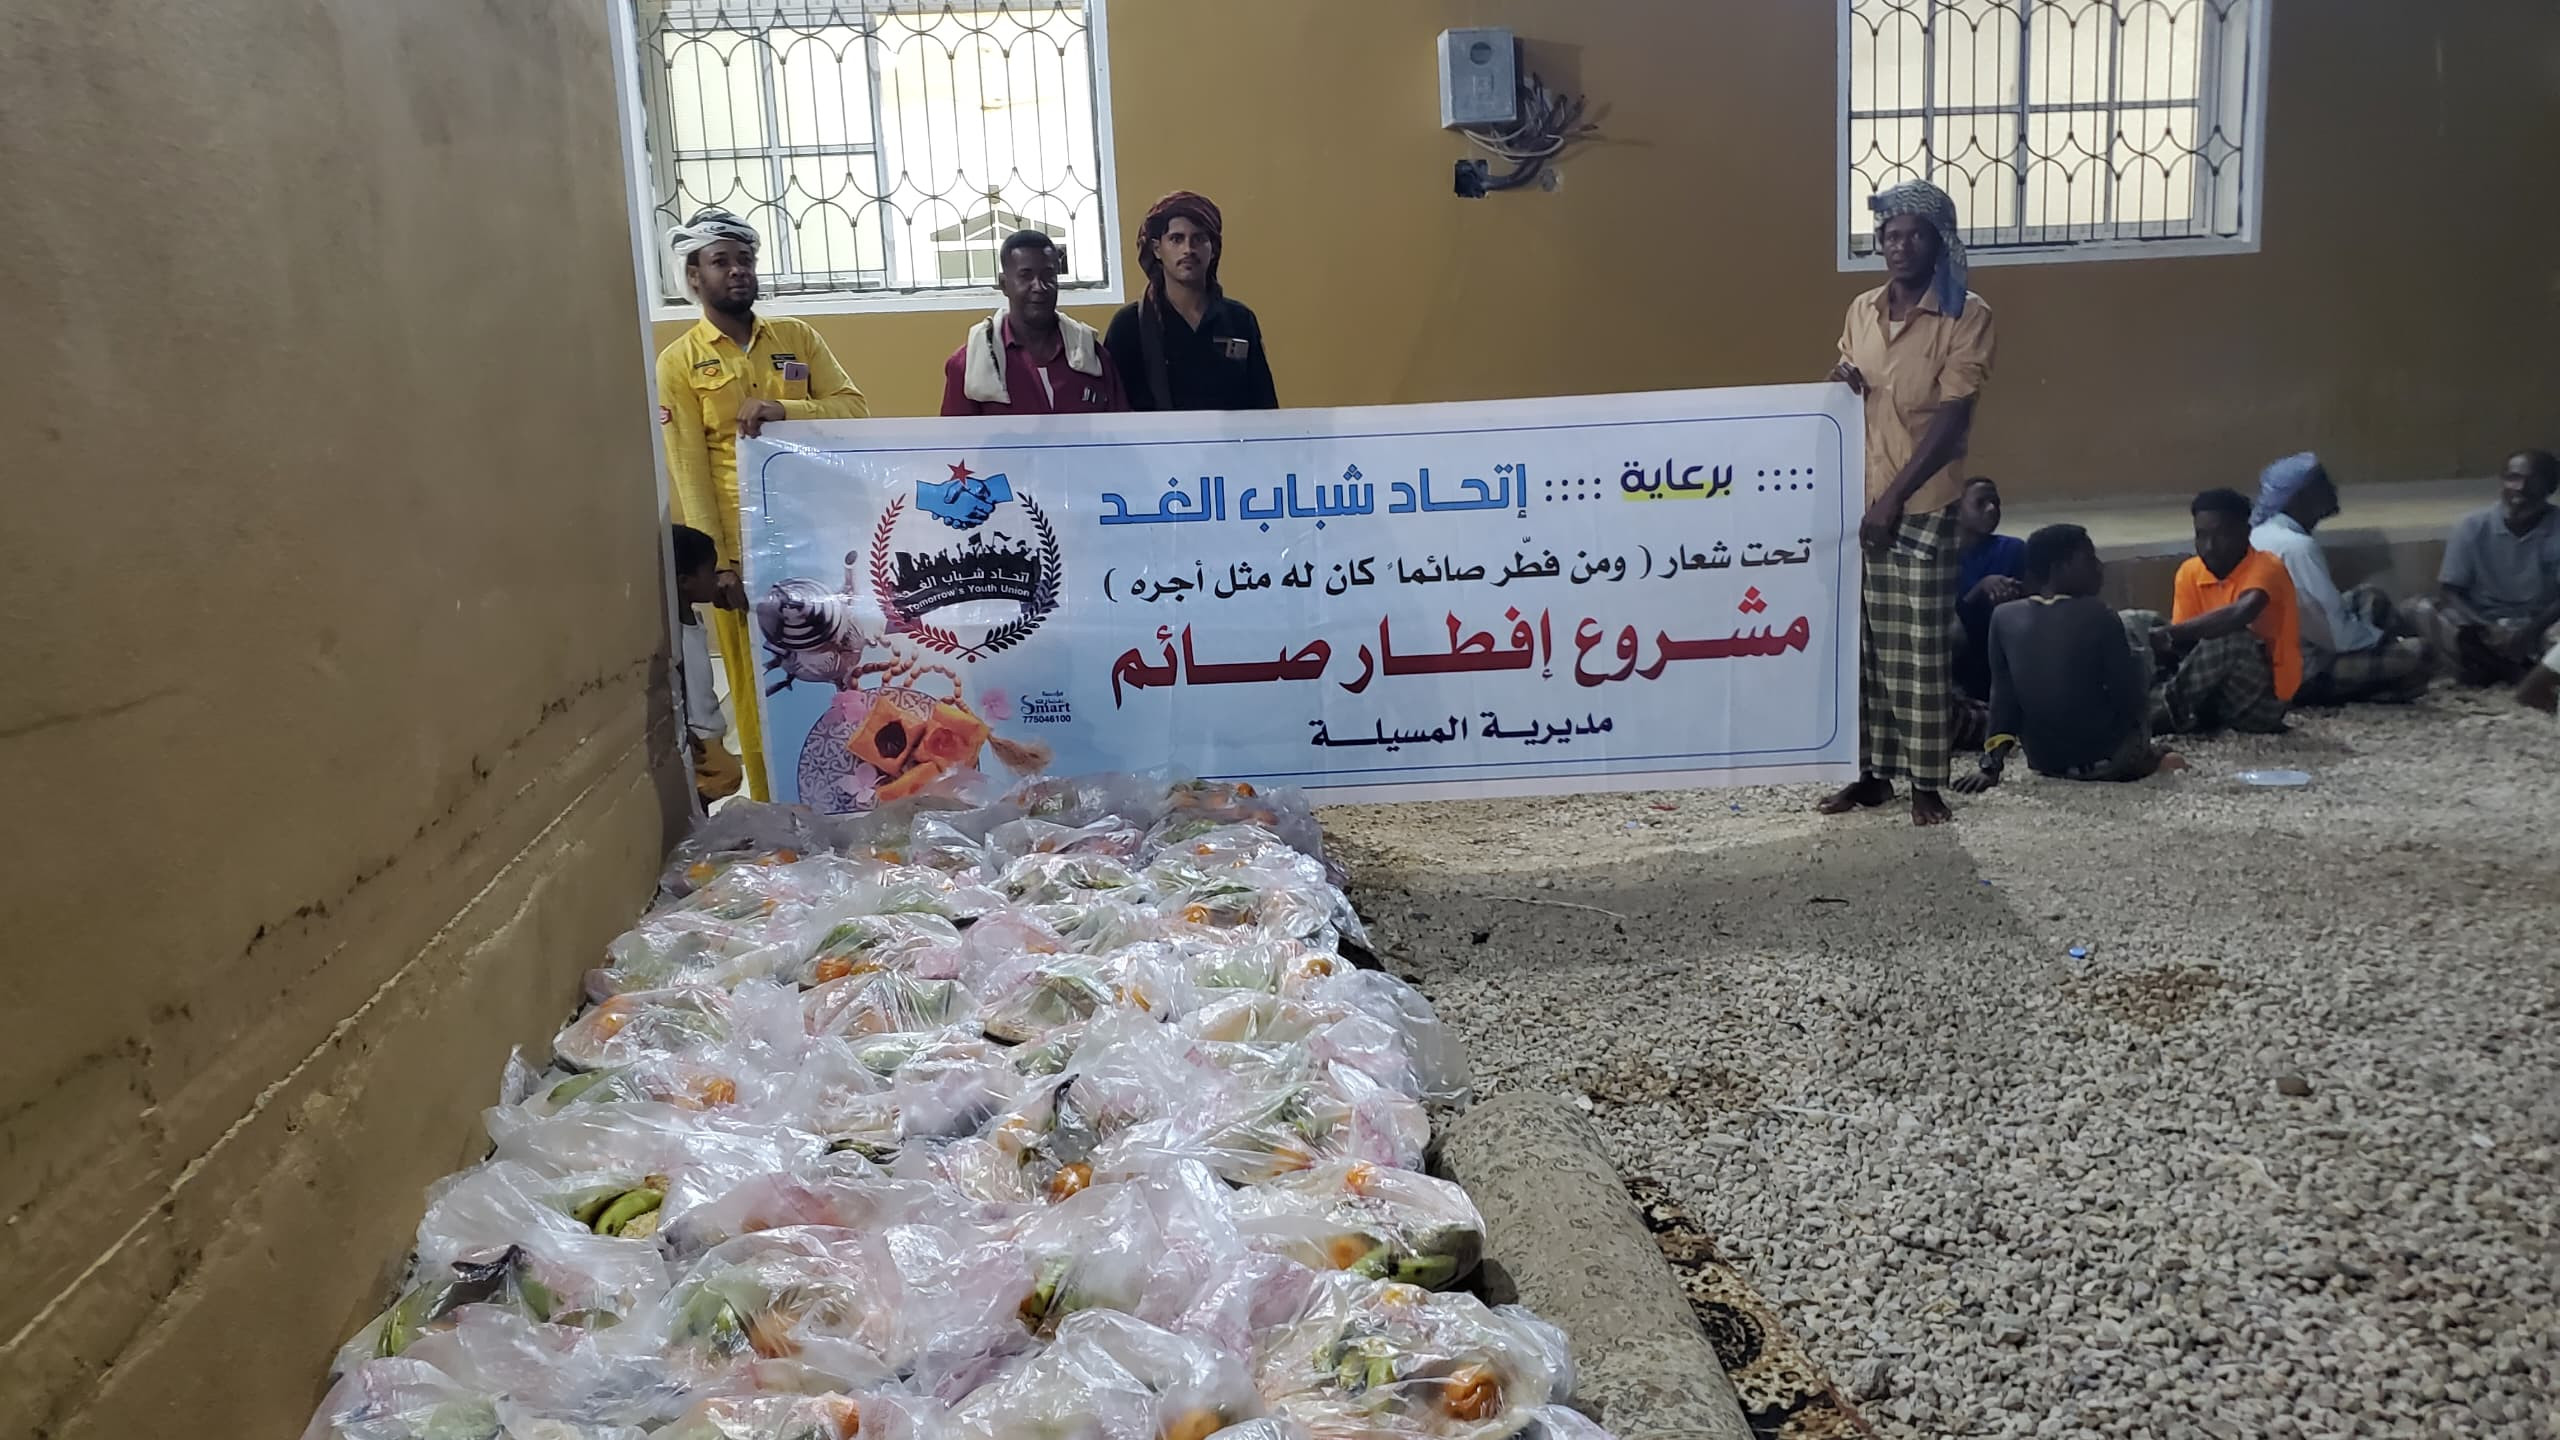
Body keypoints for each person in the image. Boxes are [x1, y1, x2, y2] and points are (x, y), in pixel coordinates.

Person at [656, 208, 873, 801]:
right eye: (720, 261)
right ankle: (770, 804)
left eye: (745, 260)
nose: (737, 271)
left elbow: (853, 409)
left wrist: (788, 410)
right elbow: (689, 468)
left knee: (837, 665)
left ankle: (843, 791)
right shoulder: (679, 362)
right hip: (742, 556)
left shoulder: (798, 339)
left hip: (816, 538)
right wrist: (720, 565)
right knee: (758, 686)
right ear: (694, 276)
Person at [1818, 180, 1997, 827]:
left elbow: (1951, 420)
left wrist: (1893, 499)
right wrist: (1839, 383)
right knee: (1863, 646)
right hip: (1861, 497)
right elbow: (1849, 388)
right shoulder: (1861, 310)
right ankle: (1869, 776)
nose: (1900, 246)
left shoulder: (1964, 315)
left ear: (1939, 242)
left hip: (1921, 502)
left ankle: (1925, 784)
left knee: (1918, 649)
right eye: (1891, 235)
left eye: (1915, 235)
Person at [1953, 524, 2180, 791]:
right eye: (2089, 559)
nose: (2099, 567)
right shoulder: (2099, 614)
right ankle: (2151, 757)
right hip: (2109, 761)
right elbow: (2129, 695)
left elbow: (2003, 698)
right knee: (2139, 635)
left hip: (2045, 762)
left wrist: (1990, 766)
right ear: (2060, 568)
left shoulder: (2003, 617)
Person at [2248, 452, 2432, 704]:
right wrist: (2382, 642)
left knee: (2371, 597)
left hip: (2291, 648)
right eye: (2323, 485)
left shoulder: (2267, 534)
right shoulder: (2295, 547)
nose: (2333, 490)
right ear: (2301, 497)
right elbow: (2335, 636)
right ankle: (2370, 688)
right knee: (2419, 653)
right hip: (2302, 668)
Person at [2127, 488, 2301, 735]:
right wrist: (2160, 641)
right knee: (2137, 621)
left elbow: (2242, 612)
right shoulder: (2190, 572)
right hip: (2213, 690)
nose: (2209, 547)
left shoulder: (2267, 567)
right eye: (2201, 536)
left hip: (2264, 700)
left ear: (2245, 532)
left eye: (2221, 536)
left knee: (2231, 639)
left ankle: (2158, 715)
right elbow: (2184, 645)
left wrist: (2170, 635)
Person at [1104, 191, 1279, 412]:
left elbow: (1265, 408)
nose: (1188, 249)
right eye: (1176, 239)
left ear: (1213, 249)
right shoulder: (1129, 325)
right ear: (1157, 249)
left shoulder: (1240, 320)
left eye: (1198, 239)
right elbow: (1111, 412)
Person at [2407, 449, 2560, 686]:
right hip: (2482, 623)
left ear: (2550, 487)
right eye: (2513, 478)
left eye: (2533, 481)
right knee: (2419, 608)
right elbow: (2450, 591)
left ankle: (2492, 668)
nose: (2520, 488)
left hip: (2539, 624)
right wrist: (2487, 628)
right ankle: (2511, 670)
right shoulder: (2471, 525)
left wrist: (2528, 632)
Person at [941, 231, 1128, 417]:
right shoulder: (970, 365)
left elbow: (1122, 428)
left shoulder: (1090, 354)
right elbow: (957, 435)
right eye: (1026, 276)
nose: (1039, 286)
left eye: (1049, 275)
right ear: (1004, 285)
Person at [1950, 476, 2027, 743]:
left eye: (1996, 502)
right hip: (1963, 664)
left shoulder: (2013, 549)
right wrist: (1979, 590)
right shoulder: (1943, 558)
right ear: (1956, 510)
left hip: (2006, 660)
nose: (1992, 508)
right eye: (1981, 502)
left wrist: (2011, 596)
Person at [670, 525, 742, 806]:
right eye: (711, 572)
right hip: (697, 735)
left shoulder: (693, 618)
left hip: (709, 731)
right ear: (685, 581)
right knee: (726, 776)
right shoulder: (674, 632)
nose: (717, 578)